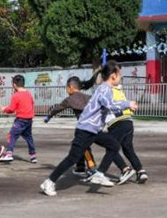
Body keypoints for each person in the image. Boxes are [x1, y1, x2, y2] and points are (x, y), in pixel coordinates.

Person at [39, 61, 136, 197]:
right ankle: (49, 182)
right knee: (72, 158)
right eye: (120, 75)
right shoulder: (104, 89)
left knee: (114, 145)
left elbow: (106, 108)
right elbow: (109, 104)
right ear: (113, 76)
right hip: (85, 129)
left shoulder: (106, 89)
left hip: (93, 130)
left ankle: (100, 173)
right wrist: (127, 104)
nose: (121, 78)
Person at [44, 76, 96, 176]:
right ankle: (80, 167)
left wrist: (49, 116)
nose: (67, 90)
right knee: (77, 144)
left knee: (84, 146)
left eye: (67, 88)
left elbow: (57, 108)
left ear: (71, 87)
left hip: (85, 127)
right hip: (94, 124)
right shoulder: (88, 97)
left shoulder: (70, 99)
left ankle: (92, 168)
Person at [107, 81, 147, 185]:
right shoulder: (119, 90)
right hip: (128, 122)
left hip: (117, 122)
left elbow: (111, 106)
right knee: (128, 148)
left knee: (111, 148)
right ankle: (140, 171)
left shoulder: (108, 90)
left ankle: (125, 169)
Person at [0, 75, 36, 163]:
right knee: (29, 137)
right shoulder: (28, 94)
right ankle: (33, 156)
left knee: (12, 135)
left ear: (14, 84)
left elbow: (11, 109)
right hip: (29, 119)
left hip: (20, 120)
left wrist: (4, 109)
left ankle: (9, 154)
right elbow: (31, 104)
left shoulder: (16, 95)